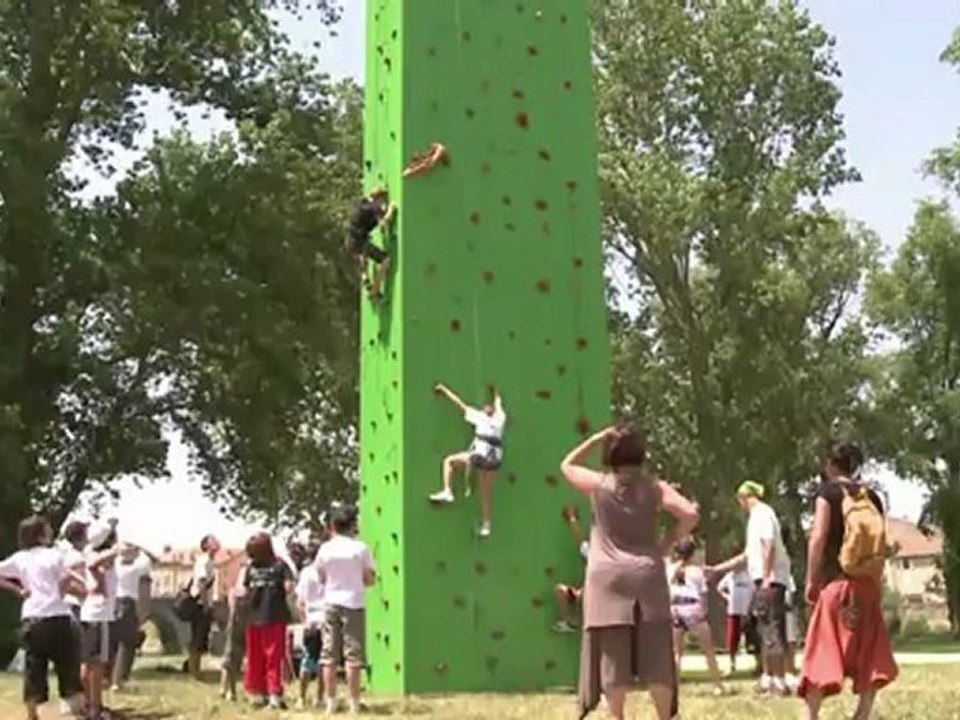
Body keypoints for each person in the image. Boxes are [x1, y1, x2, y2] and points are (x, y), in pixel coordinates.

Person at [560, 425, 699, 720]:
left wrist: (598, 438)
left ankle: (618, 715)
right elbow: (690, 514)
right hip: (647, 574)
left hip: (607, 577)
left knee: (613, 656)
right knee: (658, 655)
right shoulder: (655, 487)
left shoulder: (599, 485)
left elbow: (567, 465)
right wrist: (666, 543)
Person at [799, 441, 897, 720]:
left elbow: (817, 538)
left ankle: (811, 715)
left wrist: (811, 579)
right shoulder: (873, 498)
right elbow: (880, 544)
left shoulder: (827, 494)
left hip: (835, 584)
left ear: (830, 464)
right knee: (870, 651)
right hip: (866, 584)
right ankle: (862, 714)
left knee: (822, 649)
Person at [706, 481, 793, 698]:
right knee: (765, 629)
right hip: (763, 578)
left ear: (745, 497)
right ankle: (770, 678)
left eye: (740, 501)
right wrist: (717, 569)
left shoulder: (762, 513)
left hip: (769, 580)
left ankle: (778, 681)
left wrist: (765, 576)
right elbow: (747, 556)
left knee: (772, 629)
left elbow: (768, 544)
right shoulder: (756, 518)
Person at [0, 516, 85, 720]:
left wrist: (18, 589)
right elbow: (66, 577)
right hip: (58, 616)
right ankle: (76, 712)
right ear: (41, 535)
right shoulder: (55, 555)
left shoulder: (20, 558)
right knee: (68, 665)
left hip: (33, 618)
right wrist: (68, 590)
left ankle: (32, 714)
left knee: (34, 667)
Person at [313, 506, 376, 715]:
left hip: (331, 601)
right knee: (353, 655)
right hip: (354, 602)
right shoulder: (360, 548)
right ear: (351, 525)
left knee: (329, 653)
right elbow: (370, 579)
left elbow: (321, 577)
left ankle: (330, 701)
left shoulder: (325, 549)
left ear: (332, 526)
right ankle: (354, 702)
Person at [429, 383, 507, 538]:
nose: (485, 407)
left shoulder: (480, 417)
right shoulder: (500, 418)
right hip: (495, 459)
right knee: (486, 492)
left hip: (480, 455)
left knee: (449, 461)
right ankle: (486, 525)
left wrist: (444, 390)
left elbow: (459, 404)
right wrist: (496, 390)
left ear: (487, 411)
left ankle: (448, 490)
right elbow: (499, 402)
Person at [241, 532, 295, 710]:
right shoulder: (280, 565)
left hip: (257, 617)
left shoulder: (251, 568)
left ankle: (265, 693)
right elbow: (289, 587)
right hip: (272, 616)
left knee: (258, 657)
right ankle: (270, 694)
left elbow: (244, 590)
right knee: (272, 657)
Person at [667, 540, 723, 696]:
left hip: (676, 608)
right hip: (693, 608)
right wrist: (703, 612)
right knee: (708, 650)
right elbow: (703, 594)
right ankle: (717, 684)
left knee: (677, 652)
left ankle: (674, 687)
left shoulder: (670, 570)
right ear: (692, 554)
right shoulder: (697, 571)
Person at [80, 521, 122, 720]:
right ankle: (94, 709)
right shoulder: (98, 557)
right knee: (95, 667)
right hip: (99, 616)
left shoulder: (92, 551)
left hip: (91, 615)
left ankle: (89, 704)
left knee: (89, 664)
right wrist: (115, 550)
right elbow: (92, 563)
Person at [110, 543, 157, 691]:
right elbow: (155, 560)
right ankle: (117, 679)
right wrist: (142, 548)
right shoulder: (138, 567)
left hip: (114, 603)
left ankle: (113, 678)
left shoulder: (115, 565)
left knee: (114, 643)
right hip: (128, 603)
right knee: (124, 644)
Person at [346, 187, 397, 302]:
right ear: (379, 199)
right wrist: (391, 210)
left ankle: (365, 277)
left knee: (363, 256)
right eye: (383, 200)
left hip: (350, 241)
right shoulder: (374, 208)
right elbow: (384, 223)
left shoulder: (361, 204)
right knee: (385, 260)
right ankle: (375, 290)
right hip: (360, 242)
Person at [187, 534, 222, 680]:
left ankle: (196, 668)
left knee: (201, 637)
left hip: (203, 603)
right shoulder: (204, 561)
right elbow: (201, 583)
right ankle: (194, 670)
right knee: (198, 637)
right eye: (213, 540)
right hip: (200, 604)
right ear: (206, 545)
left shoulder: (210, 561)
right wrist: (206, 604)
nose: (218, 542)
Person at [295, 549, 326, 709]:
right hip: (326, 618)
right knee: (324, 661)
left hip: (311, 619)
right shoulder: (329, 571)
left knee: (307, 661)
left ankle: (301, 697)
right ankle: (319, 698)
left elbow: (299, 601)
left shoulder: (306, 573)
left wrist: (304, 621)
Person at [553, 504, 589, 633]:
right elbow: (580, 540)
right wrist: (572, 518)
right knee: (560, 590)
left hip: (599, 600)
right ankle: (569, 621)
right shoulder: (593, 555)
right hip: (585, 594)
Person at [219, 558, 250, 703]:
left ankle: (226, 689)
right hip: (242, 613)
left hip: (240, 612)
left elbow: (232, 592)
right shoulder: (247, 571)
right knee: (233, 653)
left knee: (232, 652)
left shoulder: (243, 571)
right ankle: (228, 690)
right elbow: (236, 593)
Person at [717, 566, 756, 676]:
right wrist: (727, 597)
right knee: (732, 639)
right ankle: (731, 665)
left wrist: (751, 607)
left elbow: (754, 591)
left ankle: (759, 665)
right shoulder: (730, 575)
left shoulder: (750, 574)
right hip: (734, 610)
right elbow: (719, 588)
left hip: (748, 611)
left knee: (753, 638)